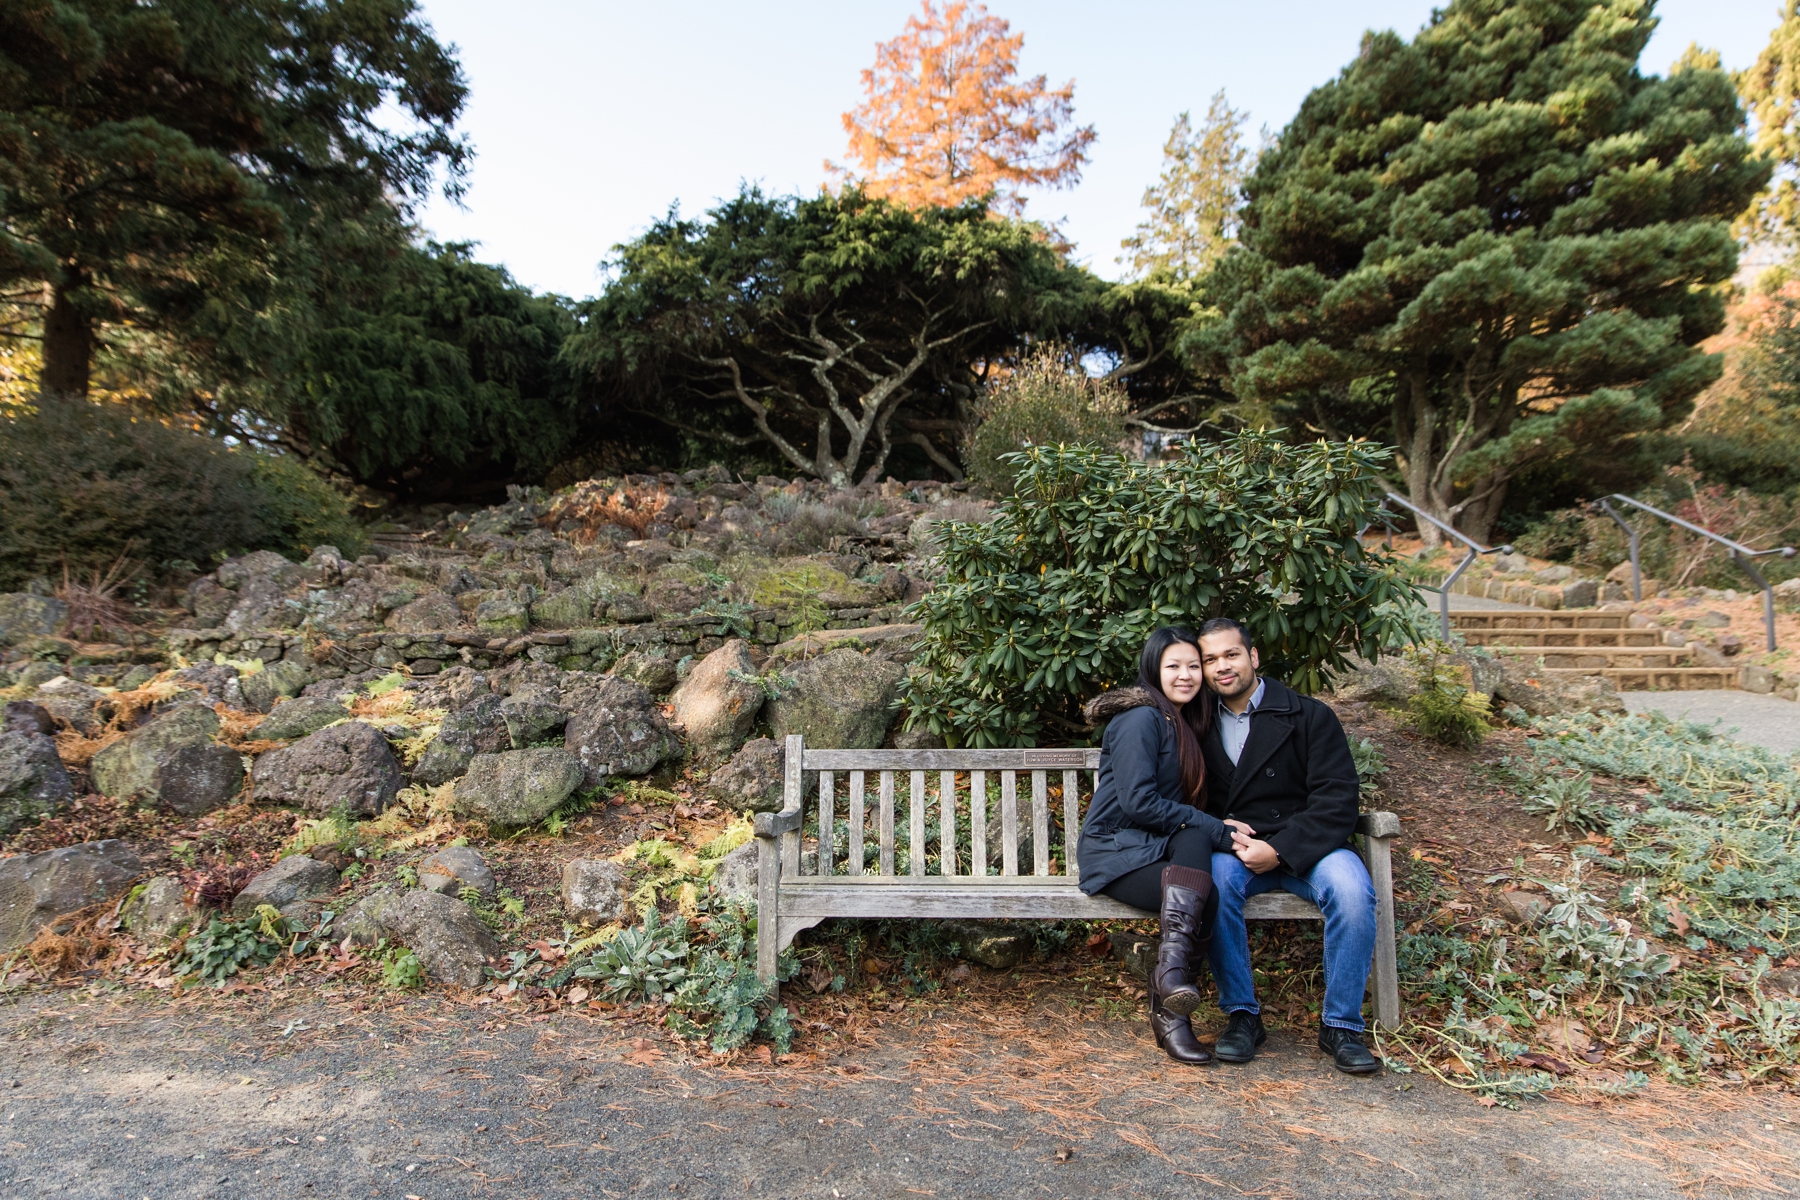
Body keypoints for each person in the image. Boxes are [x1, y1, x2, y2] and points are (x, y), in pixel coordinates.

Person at [1194, 617, 1380, 1075]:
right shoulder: (1194, 724)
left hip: (1311, 847)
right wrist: (1224, 833)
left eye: (1231, 654)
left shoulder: (1309, 716)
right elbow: (1182, 799)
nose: (1222, 667)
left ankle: (1341, 1025)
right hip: (1235, 849)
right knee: (1212, 885)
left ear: (1253, 657)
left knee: (1354, 892)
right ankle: (1242, 1015)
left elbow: (1337, 799)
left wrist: (1280, 851)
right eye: (1210, 659)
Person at [1078, 626, 1237, 1066]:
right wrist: (1217, 828)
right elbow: (1138, 802)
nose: (1185, 675)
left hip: (1147, 847)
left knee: (1198, 857)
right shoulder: (1140, 719)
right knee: (1202, 881)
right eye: (1174, 667)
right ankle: (1171, 1011)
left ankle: (1169, 990)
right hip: (1114, 854)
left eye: (1193, 666)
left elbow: (1180, 814)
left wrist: (1216, 827)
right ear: (1154, 670)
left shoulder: (1179, 723)